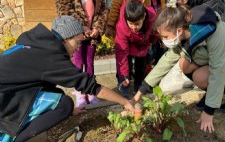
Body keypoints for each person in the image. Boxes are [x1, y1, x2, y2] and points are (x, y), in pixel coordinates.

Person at [133, 0, 225, 133]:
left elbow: (217, 69)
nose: (164, 40)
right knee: (184, 64)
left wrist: (209, 111)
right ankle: (212, 95)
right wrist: (141, 90)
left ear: (178, 30)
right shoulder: (182, 35)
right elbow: (165, 62)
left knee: (200, 76)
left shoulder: (212, 31)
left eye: (165, 36)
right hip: (220, 62)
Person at [0, 16, 134, 142]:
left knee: (57, 95)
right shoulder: (50, 57)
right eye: (78, 42)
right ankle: (15, 138)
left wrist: (71, 112)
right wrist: (125, 102)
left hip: (8, 90)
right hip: (4, 99)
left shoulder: (37, 45)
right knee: (65, 104)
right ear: (65, 39)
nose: (78, 48)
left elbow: (44, 84)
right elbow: (91, 87)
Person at [56, 0, 108, 108]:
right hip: (76, 35)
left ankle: (90, 92)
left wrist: (97, 27)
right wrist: (80, 27)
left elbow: (102, 11)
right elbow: (64, 8)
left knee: (90, 63)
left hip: (91, 35)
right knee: (78, 64)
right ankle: (80, 93)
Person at [115, 0, 156, 99]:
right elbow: (122, 52)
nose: (134, 27)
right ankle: (124, 90)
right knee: (125, 67)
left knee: (141, 66)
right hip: (128, 44)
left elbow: (155, 32)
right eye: (131, 23)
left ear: (144, 17)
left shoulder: (152, 18)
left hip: (143, 42)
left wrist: (152, 41)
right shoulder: (121, 27)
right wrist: (124, 74)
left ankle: (139, 89)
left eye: (137, 24)